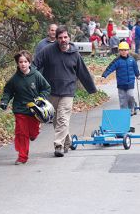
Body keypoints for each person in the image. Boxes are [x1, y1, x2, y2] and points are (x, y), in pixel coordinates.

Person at [34, 25, 97, 157]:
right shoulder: (48, 51)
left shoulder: (75, 54)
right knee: (57, 120)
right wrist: (28, 78)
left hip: (68, 91)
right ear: (56, 39)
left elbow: (83, 72)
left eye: (65, 37)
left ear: (69, 37)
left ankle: (58, 145)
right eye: (60, 38)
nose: (63, 40)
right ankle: (66, 141)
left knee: (63, 117)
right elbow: (35, 64)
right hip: (51, 90)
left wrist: (91, 89)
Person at [0, 50, 51, 165]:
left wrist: (41, 98)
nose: (23, 64)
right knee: (22, 134)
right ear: (17, 64)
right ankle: (22, 157)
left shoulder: (36, 75)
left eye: (25, 61)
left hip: (34, 110)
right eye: (20, 62)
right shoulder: (14, 79)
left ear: (29, 63)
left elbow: (46, 88)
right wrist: (4, 102)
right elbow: (8, 91)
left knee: (32, 133)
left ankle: (34, 133)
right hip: (20, 110)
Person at [101, 41, 140, 116]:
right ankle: (124, 112)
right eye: (122, 50)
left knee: (130, 96)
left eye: (125, 50)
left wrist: (137, 75)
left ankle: (132, 109)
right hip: (121, 83)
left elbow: (136, 69)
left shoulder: (132, 60)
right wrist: (104, 75)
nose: (123, 52)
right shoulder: (117, 61)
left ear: (128, 51)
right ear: (119, 51)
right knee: (122, 99)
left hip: (130, 83)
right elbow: (110, 68)